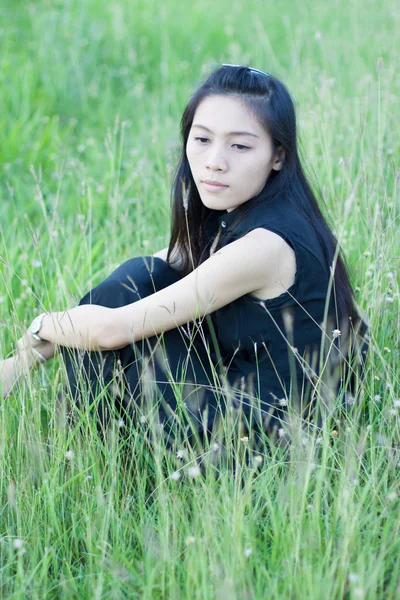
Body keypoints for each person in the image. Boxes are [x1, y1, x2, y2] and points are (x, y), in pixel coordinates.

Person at [1, 64, 369, 447]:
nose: (214, 161)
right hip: (243, 403)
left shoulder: (265, 246)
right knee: (139, 277)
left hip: (263, 441)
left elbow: (109, 330)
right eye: (202, 139)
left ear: (278, 156)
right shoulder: (235, 215)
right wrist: (25, 360)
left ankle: (97, 449)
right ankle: (99, 445)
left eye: (239, 146)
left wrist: (40, 327)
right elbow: (152, 275)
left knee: (117, 305)